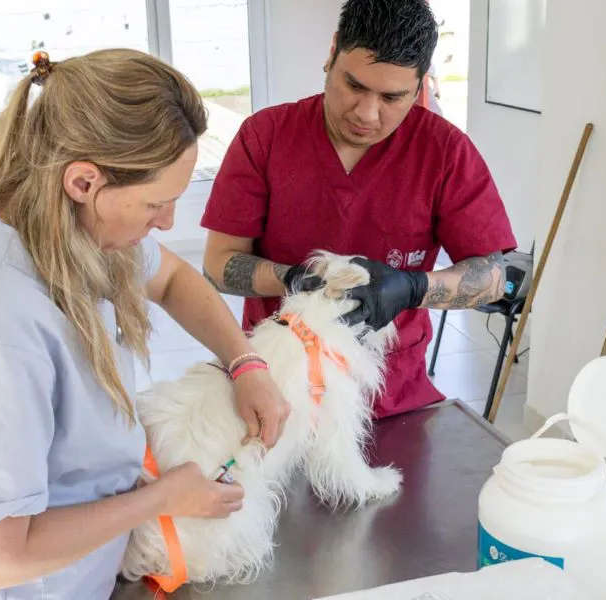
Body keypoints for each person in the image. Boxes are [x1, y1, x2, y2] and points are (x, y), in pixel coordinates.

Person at [0, 49, 290, 600]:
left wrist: (247, 364)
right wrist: (164, 498)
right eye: (155, 204)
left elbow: (171, 280)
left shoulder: (69, 232)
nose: (168, 222)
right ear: (82, 181)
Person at [201, 0, 518, 419]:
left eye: (392, 97)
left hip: (390, 393)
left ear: (421, 84)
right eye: (354, 86)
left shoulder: (444, 152)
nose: (367, 114)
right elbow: (219, 264)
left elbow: (494, 278)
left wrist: (412, 288)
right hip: (278, 388)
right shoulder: (266, 136)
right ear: (331, 54)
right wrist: (294, 278)